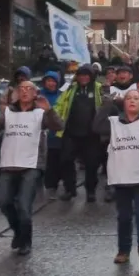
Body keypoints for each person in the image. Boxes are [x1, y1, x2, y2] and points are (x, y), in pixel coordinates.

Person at [0, 81, 62, 255]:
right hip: (9, 163)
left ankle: (26, 241)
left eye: (29, 89)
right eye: (21, 89)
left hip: (31, 165)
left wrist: (49, 110)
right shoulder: (8, 112)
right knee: (4, 202)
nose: (24, 92)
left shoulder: (40, 113)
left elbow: (59, 126)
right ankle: (18, 231)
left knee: (23, 205)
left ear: (35, 93)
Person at [93, 90, 139, 268]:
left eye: (136, 99)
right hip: (121, 176)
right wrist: (107, 105)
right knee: (124, 216)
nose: (132, 101)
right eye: (128, 98)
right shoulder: (114, 123)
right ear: (123, 103)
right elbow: (96, 127)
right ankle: (123, 250)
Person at [54, 64, 105, 202]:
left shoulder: (99, 89)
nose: (83, 78)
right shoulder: (70, 89)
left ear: (91, 76)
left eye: (86, 75)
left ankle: (90, 190)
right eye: (81, 75)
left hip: (91, 134)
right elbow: (59, 105)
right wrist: (54, 118)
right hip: (71, 132)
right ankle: (70, 189)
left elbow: (106, 106)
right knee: (66, 160)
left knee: (92, 164)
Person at [40, 71, 64, 199]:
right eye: (48, 80)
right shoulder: (39, 95)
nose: (51, 83)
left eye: (53, 81)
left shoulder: (62, 95)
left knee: (58, 159)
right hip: (42, 134)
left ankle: (56, 184)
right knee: (47, 161)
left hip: (58, 132)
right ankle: (49, 187)